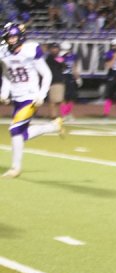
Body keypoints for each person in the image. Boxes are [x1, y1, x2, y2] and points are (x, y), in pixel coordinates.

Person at [0, 22, 64, 179]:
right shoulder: (4, 52)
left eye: (14, 36)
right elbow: (6, 75)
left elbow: (47, 74)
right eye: (9, 37)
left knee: (14, 129)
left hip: (31, 97)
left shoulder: (30, 50)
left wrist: (41, 95)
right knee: (21, 136)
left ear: (21, 37)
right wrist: (4, 93)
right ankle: (53, 127)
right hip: (17, 97)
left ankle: (16, 168)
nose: (11, 40)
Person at [59, 41, 82, 121]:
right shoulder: (59, 56)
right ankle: (64, 114)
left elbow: (75, 66)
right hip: (62, 77)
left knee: (72, 97)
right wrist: (61, 57)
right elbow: (58, 66)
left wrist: (77, 77)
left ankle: (68, 113)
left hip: (71, 77)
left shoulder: (74, 56)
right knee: (63, 97)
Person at [45, 42, 65, 119]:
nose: (55, 50)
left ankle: (62, 115)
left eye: (56, 48)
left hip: (59, 80)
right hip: (52, 81)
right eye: (53, 48)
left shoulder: (59, 58)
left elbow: (64, 65)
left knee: (60, 100)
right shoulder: (50, 58)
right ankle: (53, 115)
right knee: (53, 100)